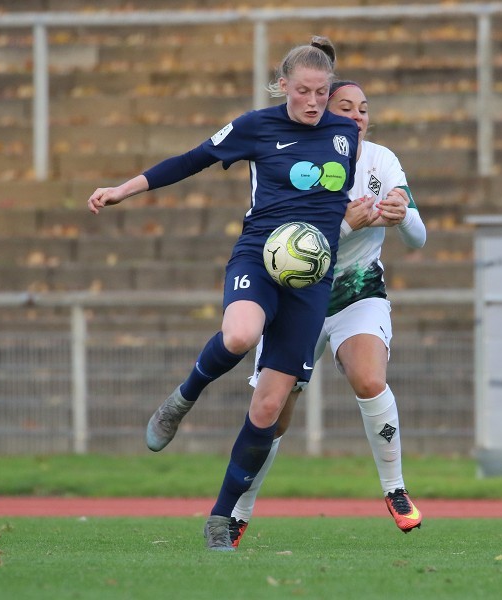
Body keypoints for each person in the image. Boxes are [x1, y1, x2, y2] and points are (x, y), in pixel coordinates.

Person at [87, 36, 359, 551]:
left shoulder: (346, 132)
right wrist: (124, 188)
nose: (312, 101)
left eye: (322, 92)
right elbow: (193, 158)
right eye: (302, 90)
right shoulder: (257, 125)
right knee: (240, 334)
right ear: (283, 86)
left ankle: (221, 518)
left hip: (311, 281)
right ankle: (182, 398)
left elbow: (345, 194)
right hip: (259, 257)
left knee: (267, 409)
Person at [228, 80, 427, 547]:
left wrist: (404, 216)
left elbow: (418, 239)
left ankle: (395, 490)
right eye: (345, 107)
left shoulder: (383, 160)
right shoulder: (302, 161)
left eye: (363, 109)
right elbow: (287, 243)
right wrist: (343, 223)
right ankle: (236, 514)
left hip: (358, 291)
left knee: (369, 379)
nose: (357, 116)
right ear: (325, 114)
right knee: (271, 410)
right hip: (297, 297)